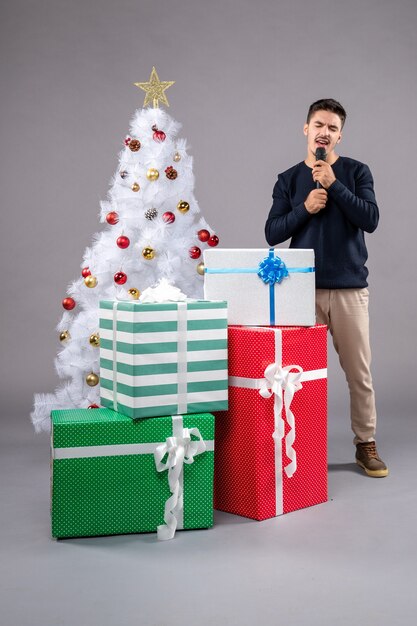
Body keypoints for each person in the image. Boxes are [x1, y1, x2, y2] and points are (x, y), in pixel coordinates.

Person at [265, 98, 388, 477]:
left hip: (350, 288)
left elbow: (371, 219)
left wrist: (334, 187)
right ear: (306, 129)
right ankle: (299, 449)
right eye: (319, 124)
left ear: (340, 135)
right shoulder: (288, 179)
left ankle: (365, 444)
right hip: (303, 290)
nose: (325, 133)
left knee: (359, 373)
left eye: (333, 128)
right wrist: (304, 208)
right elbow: (272, 233)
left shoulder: (355, 172)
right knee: (298, 378)